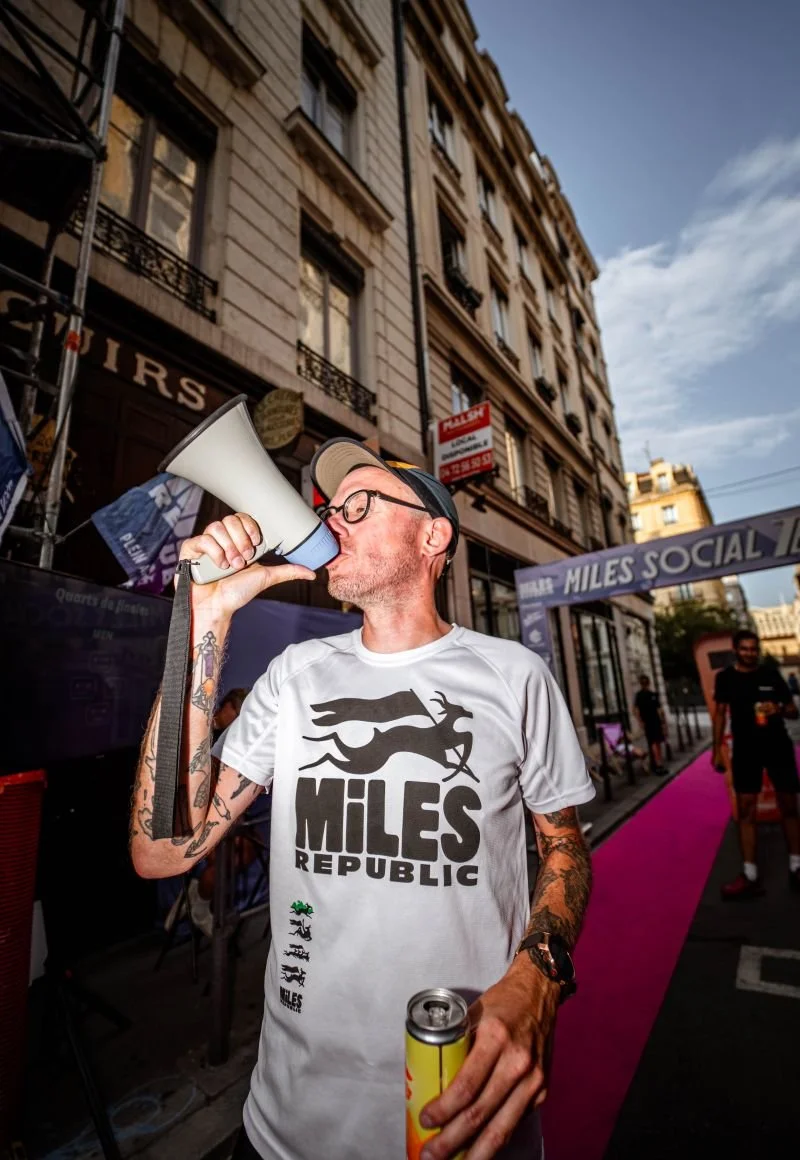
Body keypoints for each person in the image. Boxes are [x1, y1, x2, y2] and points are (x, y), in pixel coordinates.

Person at [130, 440, 595, 1160]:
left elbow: (563, 844)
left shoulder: (515, 676)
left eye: (359, 505)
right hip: (287, 1127)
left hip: (461, 1114)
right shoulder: (295, 674)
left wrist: (538, 977)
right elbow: (161, 851)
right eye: (328, 508)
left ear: (432, 535)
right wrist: (204, 619)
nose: (330, 520)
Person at [712, 629, 800, 899]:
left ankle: (797, 866)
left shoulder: (770, 675)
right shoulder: (726, 678)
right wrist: (716, 750)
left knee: (788, 804)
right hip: (746, 750)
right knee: (746, 809)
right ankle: (749, 874)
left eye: (754, 648)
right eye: (745, 648)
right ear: (736, 649)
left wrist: (780, 709)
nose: (750, 653)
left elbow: (793, 711)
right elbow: (719, 714)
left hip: (777, 746)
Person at [633, 675, 668, 775]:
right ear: (649, 682)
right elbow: (660, 711)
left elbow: (635, 711)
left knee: (653, 743)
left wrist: (640, 721)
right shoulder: (652, 694)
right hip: (654, 721)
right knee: (657, 743)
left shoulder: (639, 695)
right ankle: (659, 764)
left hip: (648, 722)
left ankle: (657, 764)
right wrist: (664, 723)